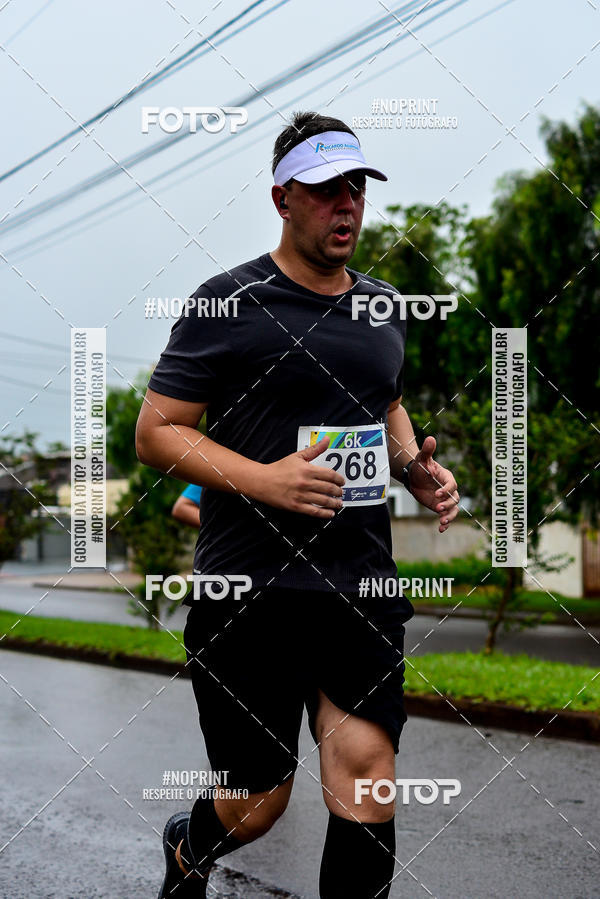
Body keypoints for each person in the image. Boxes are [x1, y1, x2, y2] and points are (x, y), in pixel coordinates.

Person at [135, 110, 459, 899]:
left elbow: (386, 401)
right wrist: (267, 479)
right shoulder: (229, 302)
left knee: (367, 776)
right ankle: (190, 843)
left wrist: (414, 466)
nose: (346, 204)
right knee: (256, 801)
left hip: (357, 584)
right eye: (324, 191)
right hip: (251, 590)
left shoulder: (382, 306)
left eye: (356, 187)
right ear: (283, 198)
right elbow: (156, 431)